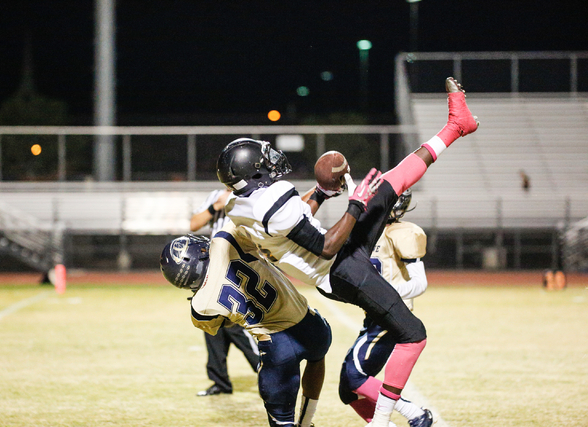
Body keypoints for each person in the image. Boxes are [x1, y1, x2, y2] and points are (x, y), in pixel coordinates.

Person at [216, 77, 479, 427]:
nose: (272, 162)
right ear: (255, 172)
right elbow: (325, 247)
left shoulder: (245, 203)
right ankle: (383, 421)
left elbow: (300, 219)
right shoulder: (273, 206)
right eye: (264, 161)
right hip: (338, 272)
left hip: (341, 261)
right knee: (413, 335)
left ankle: (456, 126)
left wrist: (323, 193)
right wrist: (354, 206)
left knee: (391, 183)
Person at [160, 223, 332, 427]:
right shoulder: (224, 241)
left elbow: (224, 324)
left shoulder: (200, 307)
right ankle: (306, 422)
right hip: (310, 323)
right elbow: (261, 223)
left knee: (282, 420)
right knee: (317, 357)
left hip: (276, 346)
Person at [339, 189, 433, 427]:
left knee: (354, 376)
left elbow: (420, 283)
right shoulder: (369, 234)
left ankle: (413, 413)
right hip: (374, 316)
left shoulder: (401, 233)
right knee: (347, 389)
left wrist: (381, 295)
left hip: (390, 314)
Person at [189, 188, 260, 396]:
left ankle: (269, 370)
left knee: (237, 326)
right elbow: (194, 224)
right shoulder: (215, 195)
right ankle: (220, 381)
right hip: (214, 270)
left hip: (240, 268)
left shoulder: (252, 195)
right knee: (211, 323)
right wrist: (215, 207)